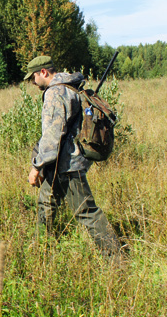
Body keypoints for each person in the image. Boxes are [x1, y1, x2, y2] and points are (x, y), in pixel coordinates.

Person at [26, 55, 121, 257]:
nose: (33, 83)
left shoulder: (55, 92)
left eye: (33, 77)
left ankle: (116, 258)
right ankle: (41, 249)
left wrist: (36, 167)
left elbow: (52, 136)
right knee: (46, 202)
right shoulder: (72, 86)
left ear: (43, 72)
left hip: (68, 164)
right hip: (65, 160)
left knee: (86, 212)